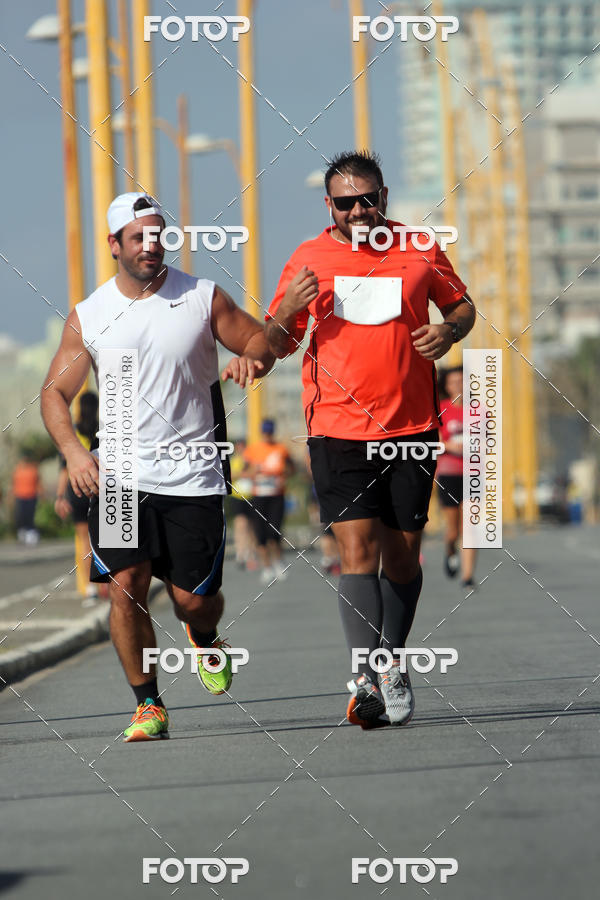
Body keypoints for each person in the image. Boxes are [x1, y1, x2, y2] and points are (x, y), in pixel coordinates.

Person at [41, 192, 273, 742]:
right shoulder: (91, 314)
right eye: (139, 236)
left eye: (158, 233)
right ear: (114, 244)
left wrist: (250, 357)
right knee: (126, 585)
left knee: (193, 600)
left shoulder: (200, 296)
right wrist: (75, 453)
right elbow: (54, 391)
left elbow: (260, 337)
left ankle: (205, 635)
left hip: (192, 472)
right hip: (119, 474)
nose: (151, 245)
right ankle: (148, 703)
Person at [264, 151, 475, 728]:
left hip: (412, 427)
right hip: (338, 428)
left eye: (369, 198)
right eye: (346, 201)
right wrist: (287, 307)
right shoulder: (309, 259)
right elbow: (277, 342)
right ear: (328, 206)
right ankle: (367, 677)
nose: (360, 210)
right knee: (357, 554)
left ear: (384, 197)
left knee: (403, 559)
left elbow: (462, 306)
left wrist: (448, 330)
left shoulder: (421, 248)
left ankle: (392, 660)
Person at [54, 391, 104, 606]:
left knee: (84, 542)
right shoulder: (103, 431)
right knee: (104, 541)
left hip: (77, 491)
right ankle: (108, 585)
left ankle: (90, 589)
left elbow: (64, 468)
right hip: (100, 489)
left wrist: (59, 496)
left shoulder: (72, 434)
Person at [437, 366, 477, 589]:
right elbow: (430, 443)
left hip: (473, 474)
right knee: (453, 530)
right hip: (449, 473)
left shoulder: (479, 410)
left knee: (470, 527)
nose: (458, 386)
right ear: (447, 385)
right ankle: (450, 550)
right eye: (453, 382)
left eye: (462, 381)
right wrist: (449, 445)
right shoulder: (441, 410)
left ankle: (467, 576)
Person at [244, 418, 295, 583]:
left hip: (276, 495)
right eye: (265, 432)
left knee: (274, 531)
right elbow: (243, 472)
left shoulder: (281, 449)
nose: (267, 435)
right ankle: (266, 567)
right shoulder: (252, 450)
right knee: (261, 535)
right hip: (259, 495)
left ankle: (278, 562)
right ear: (261, 432)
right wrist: (255, 472)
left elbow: (291, 469)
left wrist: (284, 475)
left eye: (270, 432)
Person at [228, 438, 258, 570]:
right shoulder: (233, 460)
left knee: (251, 526)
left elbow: (255, 474)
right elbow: (231, 475)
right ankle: (240, 553)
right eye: (239, 447)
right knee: (241, 524)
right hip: (238, 496)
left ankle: (250, 553)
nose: (241, 449)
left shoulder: (252, 459)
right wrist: (243, 474)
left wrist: (245, 474)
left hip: (251, 496)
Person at [12, 451, 41, 545]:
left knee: (30, 515)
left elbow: (38, 483)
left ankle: (31, 533)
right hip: (20, 496)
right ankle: (23, 532)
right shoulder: (17, 470)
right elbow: (14, 484)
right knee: (21, 516)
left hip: (31, 496)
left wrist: (42, 493)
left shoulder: (33, 470)